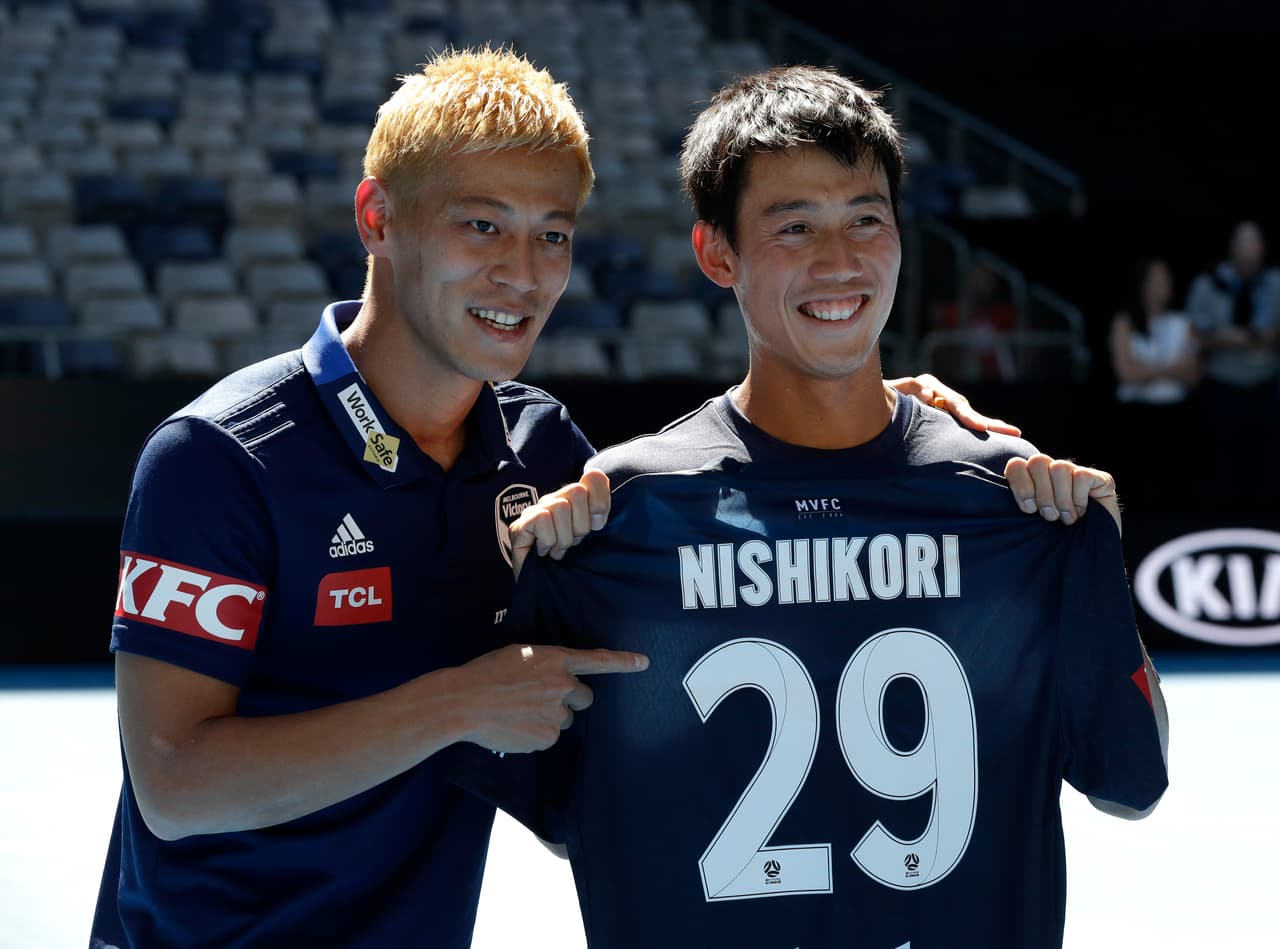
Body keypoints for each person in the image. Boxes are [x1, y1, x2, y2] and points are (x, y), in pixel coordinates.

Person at [88, 48, 1044, 947]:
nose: (524, 271)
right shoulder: (216, 455)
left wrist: (883, 420)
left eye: (553, 235)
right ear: (377, 218)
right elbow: (175, 781)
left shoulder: (542, 450)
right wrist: (457, 704)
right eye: (481, 224)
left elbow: (714, 513)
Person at [456, 66, 1168, 949]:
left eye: (866, 218)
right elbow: (569, 809)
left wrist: (1092, 565)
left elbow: (1131, 780)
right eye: (795, 226)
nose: (840, 260)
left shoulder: (1016, 505)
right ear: (718, 254)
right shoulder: (617, 522)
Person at [1185, 220, 1280, 510]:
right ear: (1232, 248)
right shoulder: (1208, 283)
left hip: (1267, 385)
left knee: (1267, 462)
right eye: (1244, 243)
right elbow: (1191, 335)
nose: (1251, 250)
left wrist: (1271, 336)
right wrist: (1226, 338)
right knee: (1222, 462)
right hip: (1222, 385)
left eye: (1256, 243)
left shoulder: (1276, 282)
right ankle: (1220, 519)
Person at [1107, 257, 1199, 508]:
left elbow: (1193, 373)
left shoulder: (1183, 323)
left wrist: (1147, 370)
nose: (1164, 284)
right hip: (1136, 417)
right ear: (1143, 284)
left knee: (1174, 485)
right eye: (1157, 278)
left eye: (1167, 278)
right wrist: (1171, 369)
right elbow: (1127, 372)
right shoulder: (1124, 322)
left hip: (1175, 417)